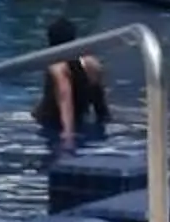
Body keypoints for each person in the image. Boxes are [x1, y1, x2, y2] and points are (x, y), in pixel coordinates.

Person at [32, 14, 111, 148]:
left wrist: (67, 135)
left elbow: (64, 98)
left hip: (48, 120)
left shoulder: (56, 67)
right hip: (80, 118)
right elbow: (100, 104)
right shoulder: (91, 63)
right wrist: (104, 120)